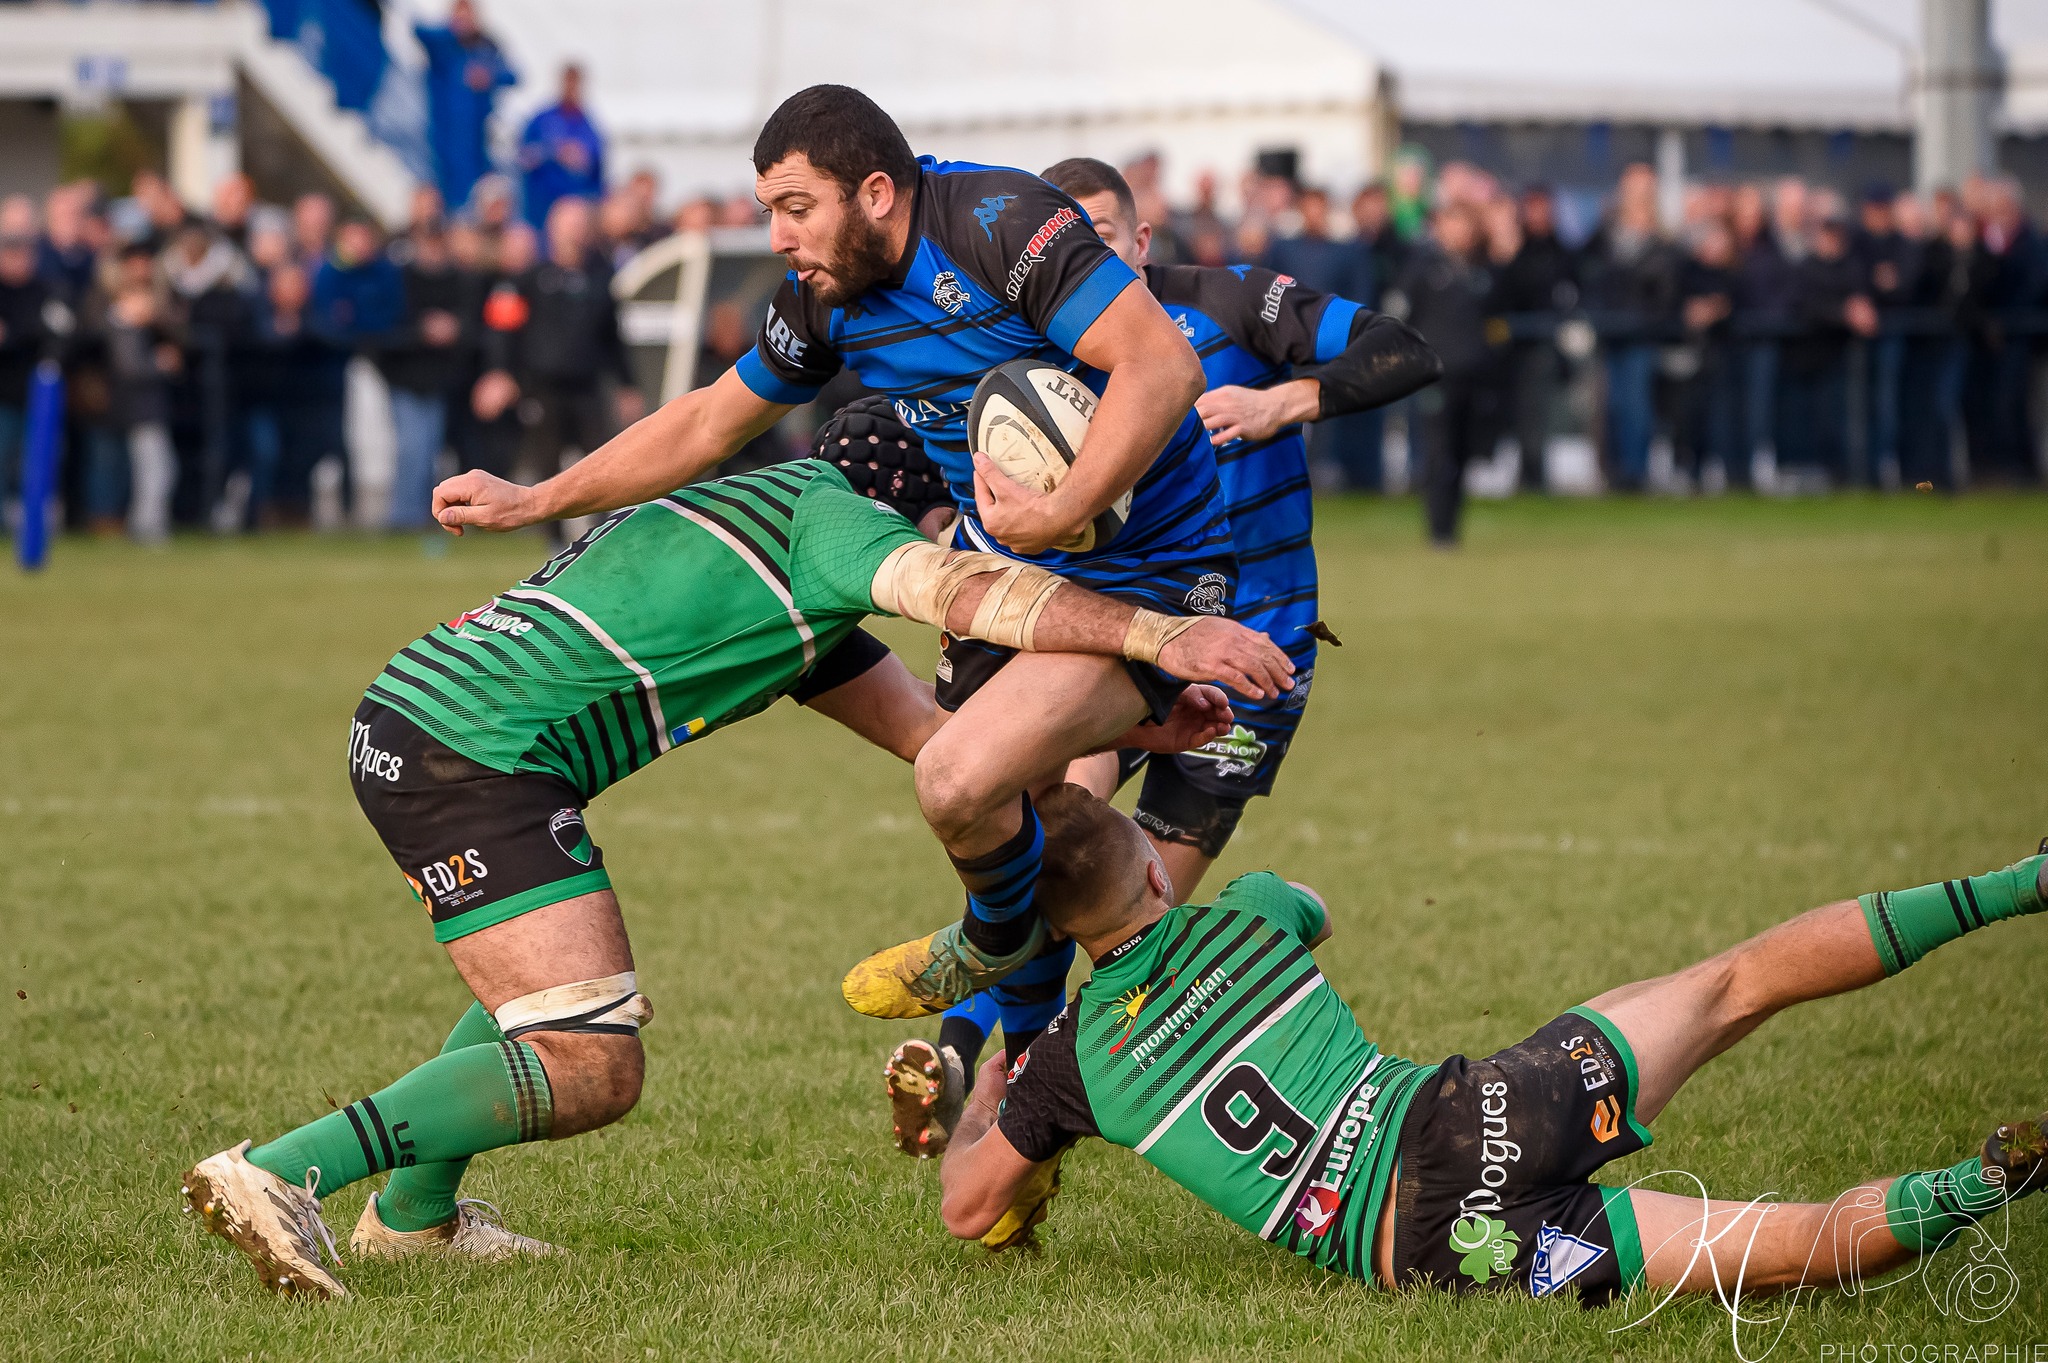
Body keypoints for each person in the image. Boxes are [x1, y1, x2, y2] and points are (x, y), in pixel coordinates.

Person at [179, 441, 1290, 1299]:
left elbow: (944, 747)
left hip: (433, 716)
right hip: (470, 757)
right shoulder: (834, 525)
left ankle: (414, 1221)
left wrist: (1135, 732)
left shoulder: (768, 546)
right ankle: (281, 1169)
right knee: (591, 1061)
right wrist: (1158, 638)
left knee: (562, 997)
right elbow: (970, 597)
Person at [434, 86, 1240, 1029]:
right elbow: (704, 423)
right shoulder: (826, 295)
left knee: (960, 779)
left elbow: (1165, 367)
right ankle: (1023, 1052)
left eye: (796, 208)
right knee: (1032, 813)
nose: (779, 237)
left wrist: (1062, 507)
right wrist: (537, 497)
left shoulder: (999, 221)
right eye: (771, 211)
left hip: (1154, 565)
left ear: (877, 193)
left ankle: (1008, 977)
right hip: (1007, 568)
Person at [939, 783, 2048, 1302]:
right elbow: (1308, 902)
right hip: (1484, 1109)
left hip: (1433, 1242)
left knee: (1788, 1245)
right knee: (1731, 982)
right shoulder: (1249, 912)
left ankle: (1989, 1175)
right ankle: (2019, 879)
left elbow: (970, 1207)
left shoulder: (1075, 1063)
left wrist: (988, 1095)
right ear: (1147, 864)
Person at [884, 159, 1439, 1154]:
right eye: (1062, 242)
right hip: (1118, 636)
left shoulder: (1225, 304)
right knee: (1056, 832)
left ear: (1140, 242)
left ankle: (1002, 1083)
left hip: (1251, 651)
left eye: (1100, 236)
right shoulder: (1025, 347)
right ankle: (975, 1068)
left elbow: (1399, 351)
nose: (1080, 260)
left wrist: (1285, 402)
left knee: (1135, 919)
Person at [472, 196, 641, 521]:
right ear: (552, 231)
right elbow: (503, 331)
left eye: (580, 226)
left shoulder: (601, 280)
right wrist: (499, 373)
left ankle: (601, 531)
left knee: (600, 464)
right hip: (542, 388)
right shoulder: (529, 280)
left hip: (587, 388)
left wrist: (626, 385)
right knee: (546, 466)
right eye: (568, 226)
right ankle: (551, 537)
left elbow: (613, 339)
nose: (575, 234)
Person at [1395, 202, 1500, 546]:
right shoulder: (1423, 268)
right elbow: (1400, 317)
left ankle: (1452, 527)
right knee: (1439, 453)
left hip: (1476, 376)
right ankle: (1439, 529)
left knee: (1465, 453)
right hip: (1436, 375)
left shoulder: (1484, 269)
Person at [1579, 164, 1680, 493]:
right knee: (1609, 406)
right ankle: (1611, 470)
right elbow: (1586, 271)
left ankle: (1635, 473)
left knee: (1636, 405)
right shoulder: (1607, 233)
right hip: (1610, 333)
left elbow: (1665, 292)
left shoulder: (1661, 241)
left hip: (1640, 335)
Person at [378, 222, 472, 529]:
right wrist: (422, 332)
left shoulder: (456, 279)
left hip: (437, 380)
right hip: (405, 378)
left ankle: (421, 516)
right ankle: (404, 518)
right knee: (412, 449)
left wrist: (453, 329)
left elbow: (470, 326)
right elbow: (385, 330)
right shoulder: (400, 279)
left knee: (428, 449)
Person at [1777, 211, 1877, 486]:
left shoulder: (1852, 268)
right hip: (1804, 358)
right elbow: (1801, 305)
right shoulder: (1806, 267)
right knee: (1805, 420)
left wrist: (1859, 311)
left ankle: (1844, 473)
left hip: (1841, 356)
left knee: (1841, 419)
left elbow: (1863, 303)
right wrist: (1842, 313)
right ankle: (1809, 472)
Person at [1491, 185, 1576, 493]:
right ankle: (1525, 471)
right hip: (1511, 346)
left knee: (1538, 413)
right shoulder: (1512, 251)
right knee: (1517, 413)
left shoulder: (1562, 252)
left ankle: (1534, 474)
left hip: (1543, 344)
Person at [415, 0, 518, 214]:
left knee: (471, 190)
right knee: (440, 186)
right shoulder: (444, 45)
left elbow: (513, 75)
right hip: (443, 130)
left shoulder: (486, 47)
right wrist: (451, 31)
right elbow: (418, 31)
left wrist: (489, 76)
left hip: (475, 134)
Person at [518, 64, 605, 231]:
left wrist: (580, 159)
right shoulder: (541, 120)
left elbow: (596, 166)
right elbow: (522, 156)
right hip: (539, 202)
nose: (571, 88)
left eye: (575, 83)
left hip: (574, 206)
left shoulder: (588, 125)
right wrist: (552, 152)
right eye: (568, 82)